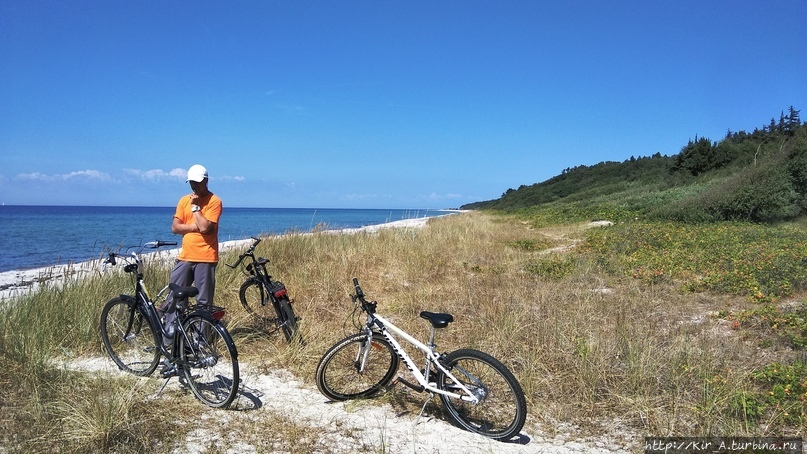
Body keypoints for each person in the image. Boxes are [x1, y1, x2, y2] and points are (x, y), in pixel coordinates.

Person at [161, 164, 223, 345]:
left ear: (206, 180)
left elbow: (206, 228)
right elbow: (175, 228)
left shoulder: (214, 201)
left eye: (197, 182)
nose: (194, 186)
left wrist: (196, 209)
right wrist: (196, 227)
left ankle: (200, 342)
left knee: (203, 302)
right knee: (175, 298)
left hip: (206, 256)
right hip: (185, 256)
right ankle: (171, 341)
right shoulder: (183, 201)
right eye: (191, 182)